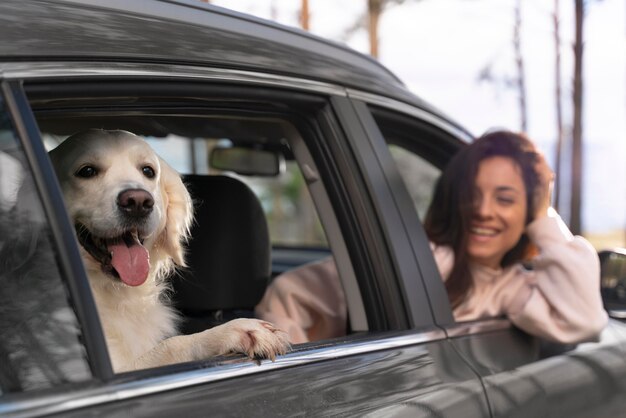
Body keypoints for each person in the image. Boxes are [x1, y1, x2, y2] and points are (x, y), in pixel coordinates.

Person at [255, 130, 608, 345]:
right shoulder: (429, 259)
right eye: (472, 193)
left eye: (505, 199)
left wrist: (545, 213)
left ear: (528, 213)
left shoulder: (514, 288)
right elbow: (288, 296)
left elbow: (584, 319)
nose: (483, 210)